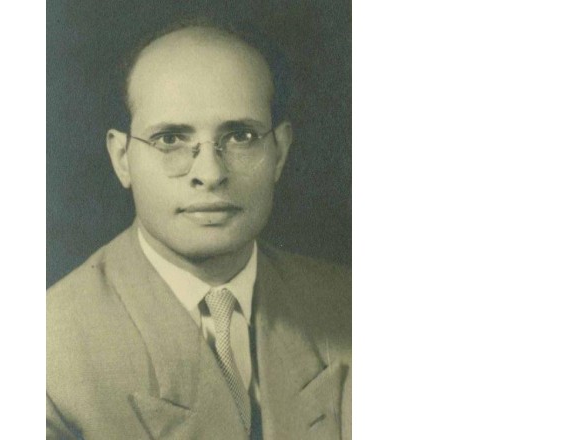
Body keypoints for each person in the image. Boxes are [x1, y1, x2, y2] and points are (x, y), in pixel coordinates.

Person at [47, 21, 351, 440]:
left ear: (279, 152)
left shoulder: (348, 303)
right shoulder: (49, 351)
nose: (210, 174)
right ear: (122, 158)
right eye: (170, 139)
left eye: (241, 136)